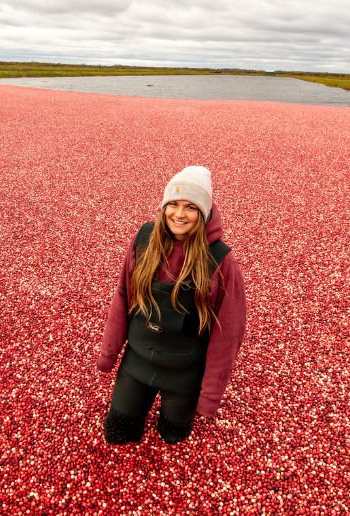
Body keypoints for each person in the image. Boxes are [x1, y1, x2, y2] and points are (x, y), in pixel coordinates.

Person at [97, 166, 247, 444]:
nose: (179, 214)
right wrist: (109, 354)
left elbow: (228, 334)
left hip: (185, 370)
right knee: (118, 432)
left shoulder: (221, 260)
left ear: (203, 213)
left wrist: (210, 396)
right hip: (137, 361)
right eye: (173, 205)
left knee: (173, 435)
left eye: (190, 207)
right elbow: (122, 297)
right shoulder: (144, 239)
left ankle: (177, 417)